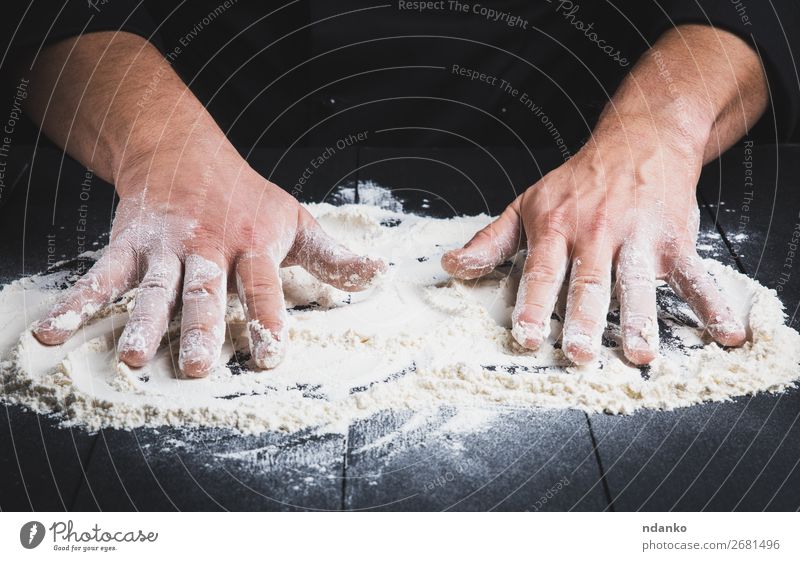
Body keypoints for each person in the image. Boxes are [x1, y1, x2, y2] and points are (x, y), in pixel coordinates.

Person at [2, 1, 797, 376]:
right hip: (202, 143)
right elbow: (51, 26)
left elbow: (740, 25)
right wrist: (160, 149)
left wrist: (656, 135)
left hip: (568, 166)